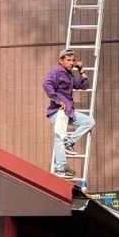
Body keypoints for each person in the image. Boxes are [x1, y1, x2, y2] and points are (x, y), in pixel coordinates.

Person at [43, 48, 94, 178]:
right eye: (68, 60)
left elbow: (84, 85)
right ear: (61, 60)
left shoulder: (69, 75)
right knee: (59, 137)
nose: (71, 63)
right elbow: (46, 84)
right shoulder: (56, 71)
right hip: (59, 111)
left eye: (73, 60)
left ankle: (69, 142)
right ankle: (60, 169)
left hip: (68, 112)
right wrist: (58, 100)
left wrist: (81, 70)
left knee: (89, 122)